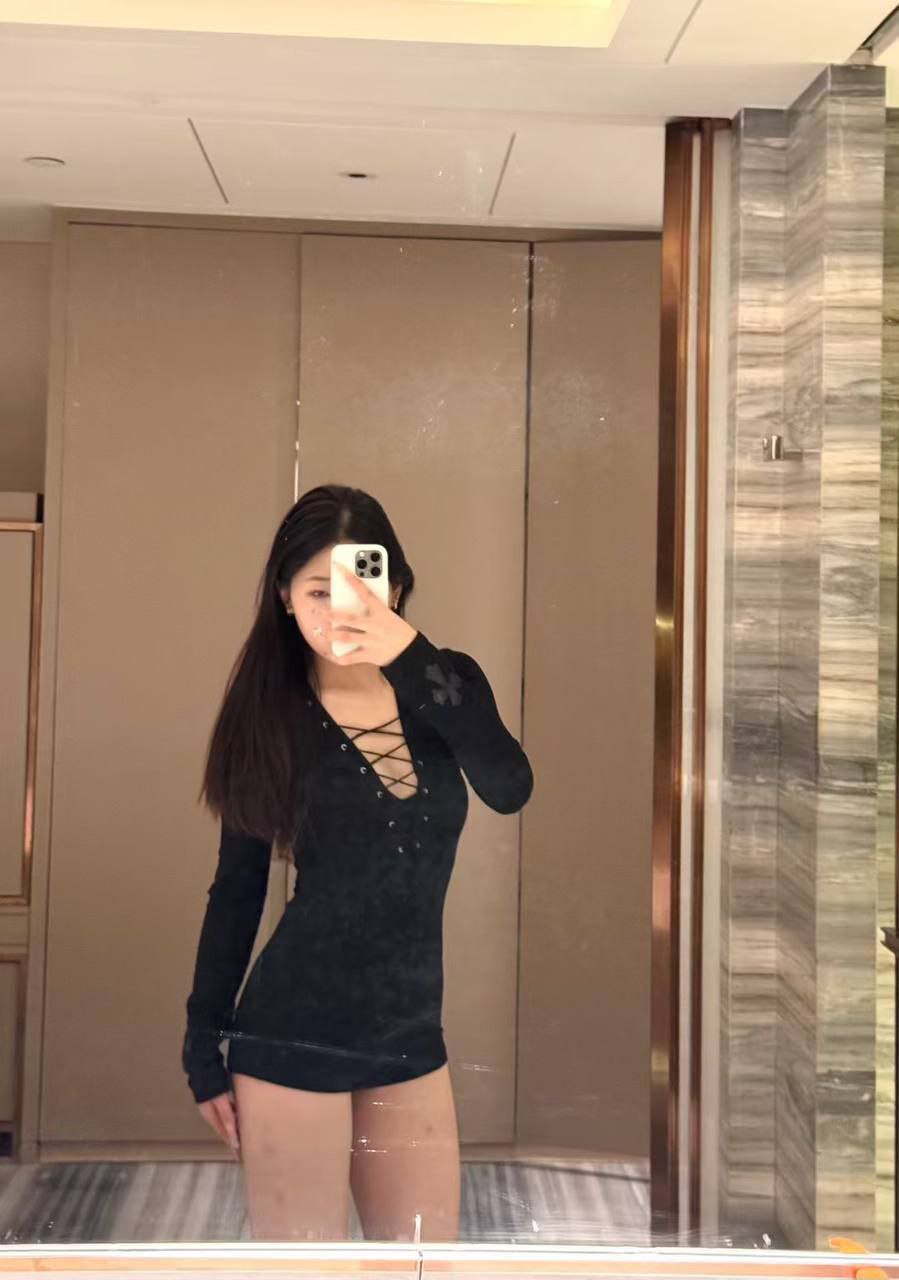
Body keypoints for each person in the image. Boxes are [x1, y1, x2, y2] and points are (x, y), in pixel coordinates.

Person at [181, 483, 533, 1243]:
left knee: (421, 1264)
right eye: (318, 590)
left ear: (395, 587)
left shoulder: (446, 685)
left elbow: (510, 787)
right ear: (284, 597)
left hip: (410, 1033)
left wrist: (406, 653)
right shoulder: (268, 716)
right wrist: (202, 1045)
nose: (341, 608)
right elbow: (237, 892)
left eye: (363, 583)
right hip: (292, 1033)